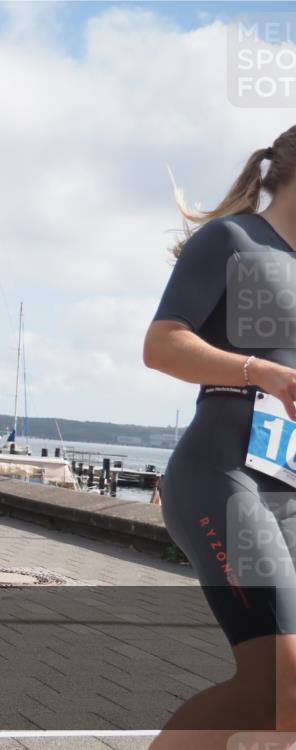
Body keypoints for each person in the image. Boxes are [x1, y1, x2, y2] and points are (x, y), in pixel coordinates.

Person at [143, 126, 296, 747]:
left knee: (284, 709)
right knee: (279, 688)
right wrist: (260, 370)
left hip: (285, 494)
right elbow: (160, 345)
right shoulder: (233, 239)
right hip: (222, 478)